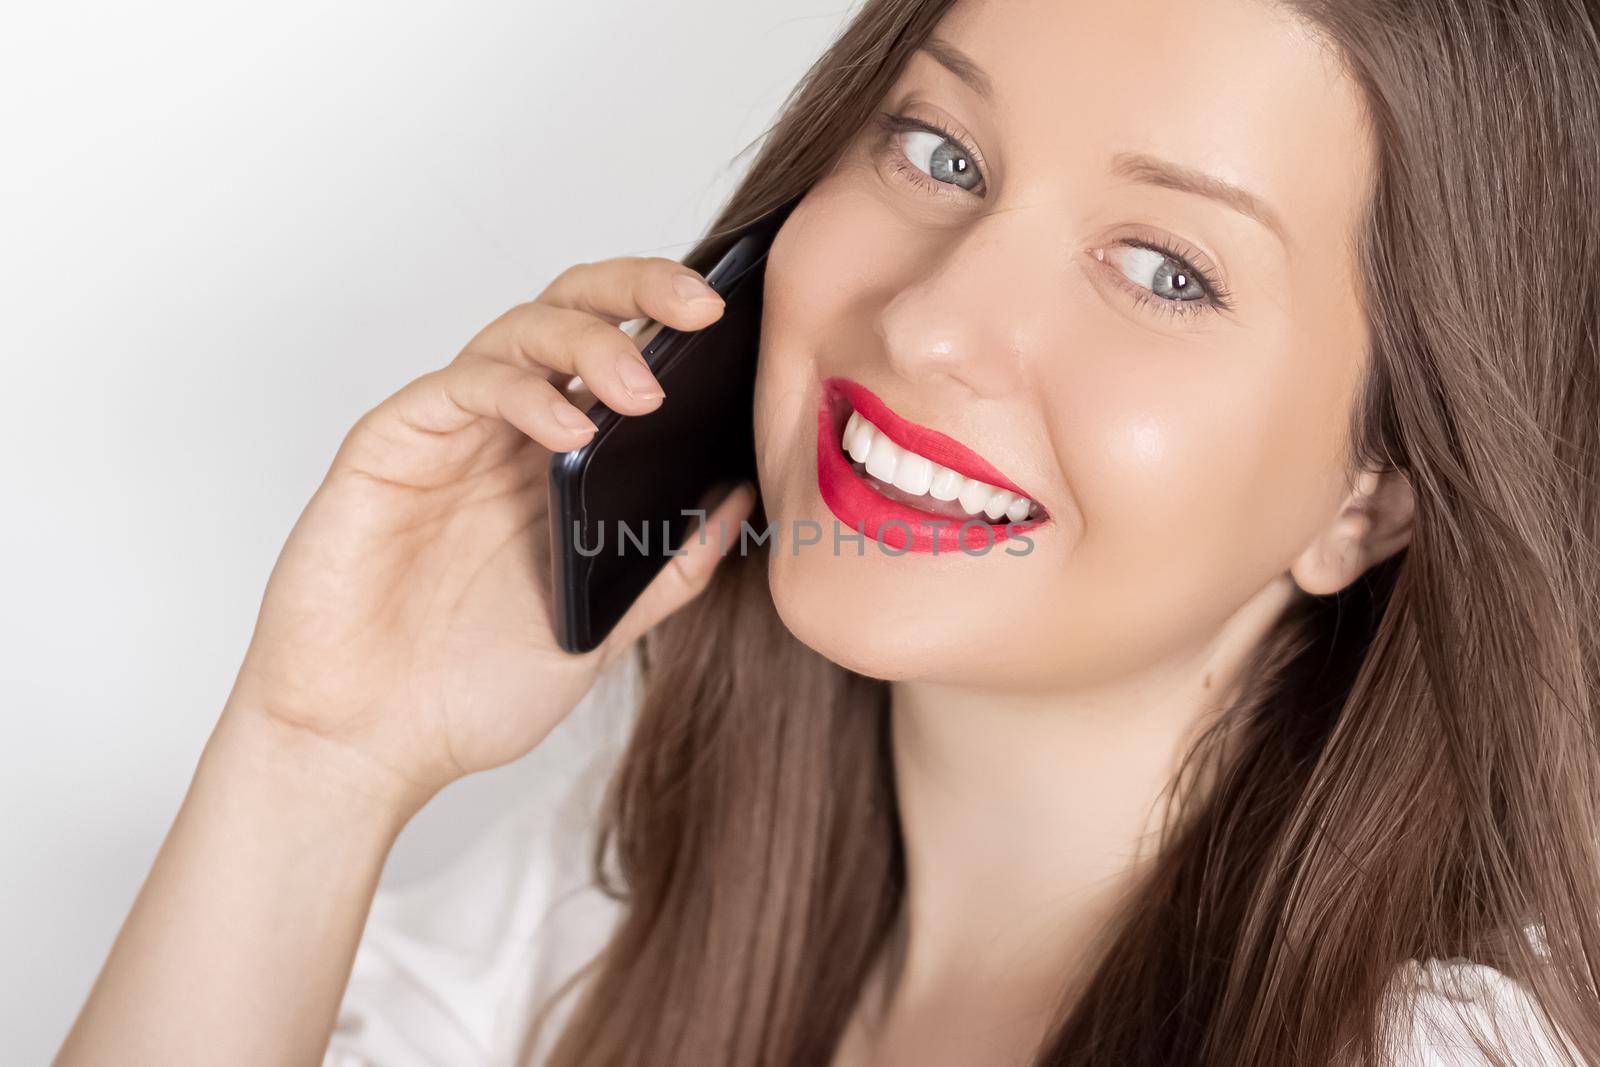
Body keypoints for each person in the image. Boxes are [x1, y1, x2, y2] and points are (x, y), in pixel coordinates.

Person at [55, 0, 1600, 1064]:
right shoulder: (612, 899)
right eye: (938, 153)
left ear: (1372, 496)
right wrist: (320, 755)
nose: (928, 321)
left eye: (1165, 270)